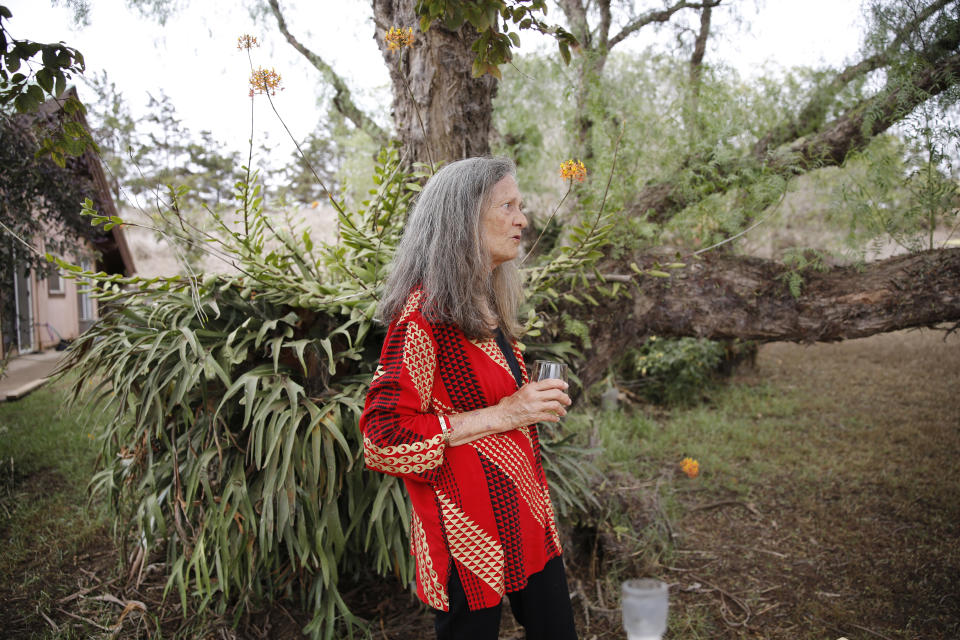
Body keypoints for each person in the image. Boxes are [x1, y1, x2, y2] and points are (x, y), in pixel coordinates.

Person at [359, 157, 578, 640]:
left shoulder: (483, 302)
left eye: (521, 206)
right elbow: (383, 437)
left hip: (527, 514)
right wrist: (506, 412)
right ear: (463, 218)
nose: (522, 219)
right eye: (508, 206)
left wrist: (526, 407)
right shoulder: (419, 319)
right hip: (467, 533)